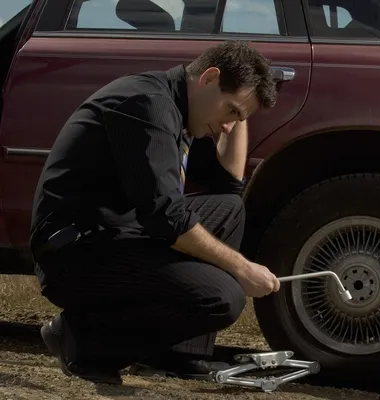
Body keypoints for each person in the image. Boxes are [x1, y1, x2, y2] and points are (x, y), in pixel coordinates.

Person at [29, 40, 281, 386]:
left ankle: (178, 353)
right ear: (209, 78)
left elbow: (228, 183)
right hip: (72, 253)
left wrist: (241, 114)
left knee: (228, 208)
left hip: (115, 233)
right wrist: (241, 267)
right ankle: (82, 339)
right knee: (223, 297)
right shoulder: (147, 105)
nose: (228, 126)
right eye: (231, 111)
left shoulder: (178, 108)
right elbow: (166, 218)